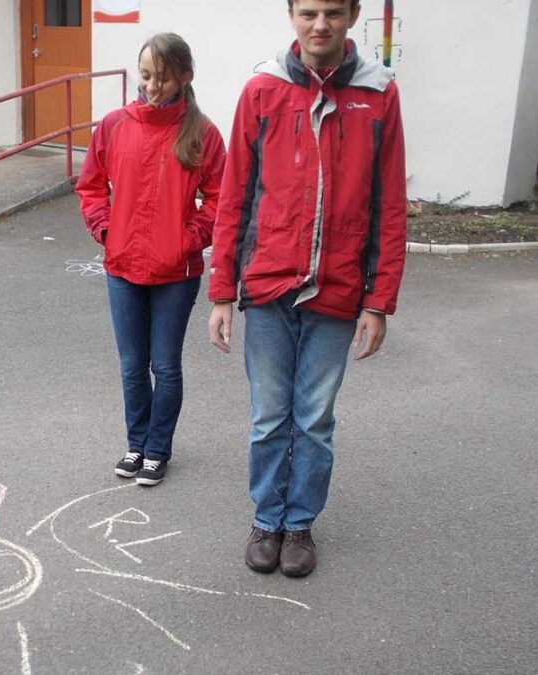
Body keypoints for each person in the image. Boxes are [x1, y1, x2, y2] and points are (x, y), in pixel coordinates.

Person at [208, 0, 407, 576]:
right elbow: (234, 198)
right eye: (309, 12)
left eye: (334, 13)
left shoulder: (378, 95)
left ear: (353, 15)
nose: (321, 25)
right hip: (269, 285)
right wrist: (223, 291)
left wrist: (379, 300)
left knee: (314, 419)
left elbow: (388, 206)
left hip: (339, 290)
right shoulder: (263, 91)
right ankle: (266, 520)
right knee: (270, 416)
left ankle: (300, 526)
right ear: (291, 14)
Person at [76, 33, 226, 487]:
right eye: (145, 76)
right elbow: (90, 186)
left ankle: (158, 450)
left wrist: (189, 238)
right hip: (122, 267)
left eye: (162, 77)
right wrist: (106, 230)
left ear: (185, 76)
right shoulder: (115, 125)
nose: (152, 86)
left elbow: (220, 199)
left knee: (165, 365)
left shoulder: (202, 133)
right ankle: (135, 444)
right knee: (131, 365)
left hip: (175, 273)